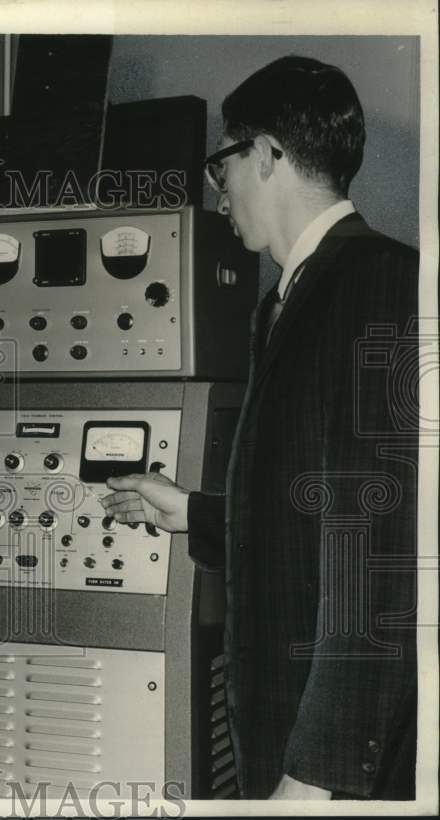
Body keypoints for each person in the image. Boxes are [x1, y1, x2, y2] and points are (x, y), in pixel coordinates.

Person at [102, 56, 418, 800]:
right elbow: (311, 510)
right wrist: (191, 513)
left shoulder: (380, 284)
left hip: (335, 766)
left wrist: (315, 775)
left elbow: (376, 555)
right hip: (282, 730)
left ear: (271, 153)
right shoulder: (288, 298)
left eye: (225, 162)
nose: (219, 189)